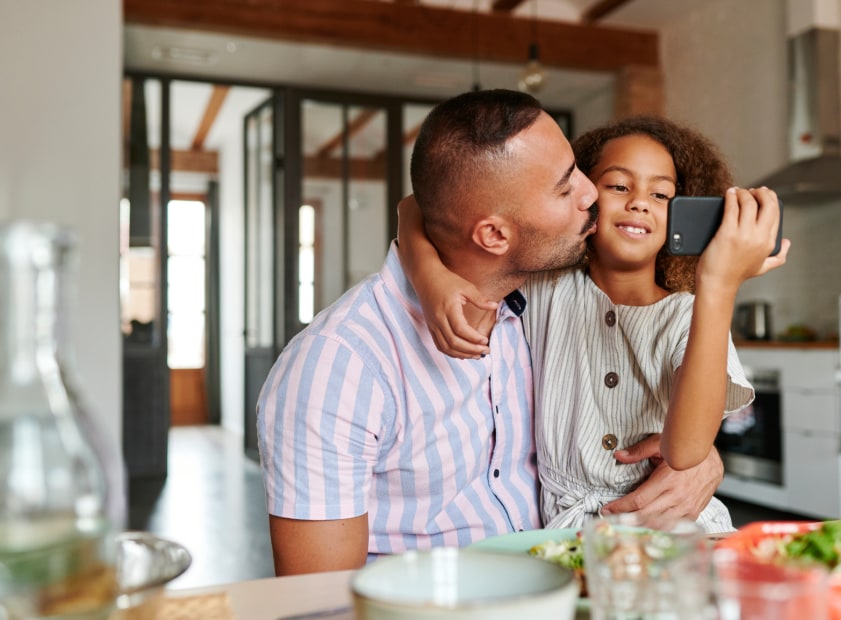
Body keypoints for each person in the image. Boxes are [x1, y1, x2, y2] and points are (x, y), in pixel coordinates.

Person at [256, 90, 741, 576]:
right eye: (567, 185)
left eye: (578, 171)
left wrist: (698, 457)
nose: (592, 194)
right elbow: (317, 598)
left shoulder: (521, 300)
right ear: (494, 236)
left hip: (565, 576)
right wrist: (429, 276)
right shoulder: (339, 367)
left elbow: (426, 203)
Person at [398, 115, 789, 531]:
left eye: (661, 194)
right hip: (567, 533)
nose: (639, 202)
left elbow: (687, 451)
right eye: (619, 186)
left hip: (673, 530)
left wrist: (719, 284)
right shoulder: (547, 285)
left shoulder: (688, 315)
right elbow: (418, 204)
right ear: (583, 195)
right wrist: (429, 277)